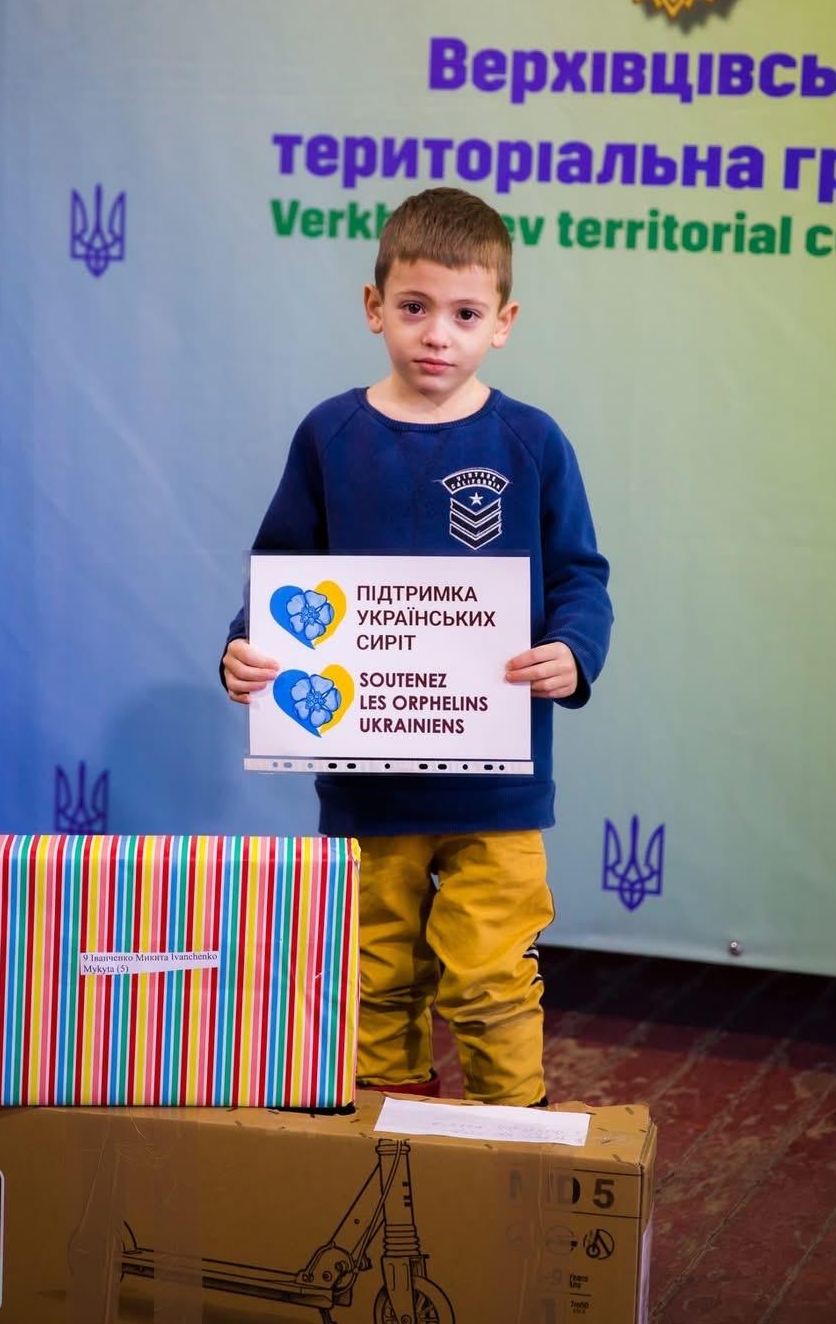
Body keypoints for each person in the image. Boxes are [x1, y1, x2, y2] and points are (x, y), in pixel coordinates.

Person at [222, 187, 612, 1107]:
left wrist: (573, 651)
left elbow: (580, 576)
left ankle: (512, 1145)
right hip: (368, 787)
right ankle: (385, 1143)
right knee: (372, 977)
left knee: (492, 978)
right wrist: (246, 646)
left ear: (502, 323)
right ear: (374, 307)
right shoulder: (330, 435)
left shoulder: (531, 441)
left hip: (497, 790)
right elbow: (284, 572)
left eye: (465, 314)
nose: (438, 334)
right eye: (414, 307)